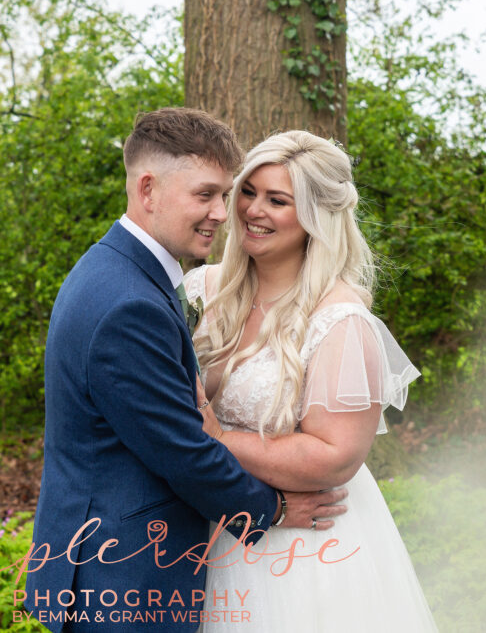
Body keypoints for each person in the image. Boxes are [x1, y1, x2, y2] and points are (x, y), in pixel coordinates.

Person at [26, 109, 344, 632]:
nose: (223, 213)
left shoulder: (117, 270)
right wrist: (277, 510)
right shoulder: (129, 302)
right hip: (125, 577)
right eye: (205, 194)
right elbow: (183, 450)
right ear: (148, 189)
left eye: (225, 195)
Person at [184, 130, 438, 631]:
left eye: (277, 200)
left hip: (301, 547)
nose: (253, 210)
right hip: (205, 526)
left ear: (315, 217)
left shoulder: (341, 321)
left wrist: (212, 438)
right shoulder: (202, 290)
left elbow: (334, 456)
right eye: (249, 192)